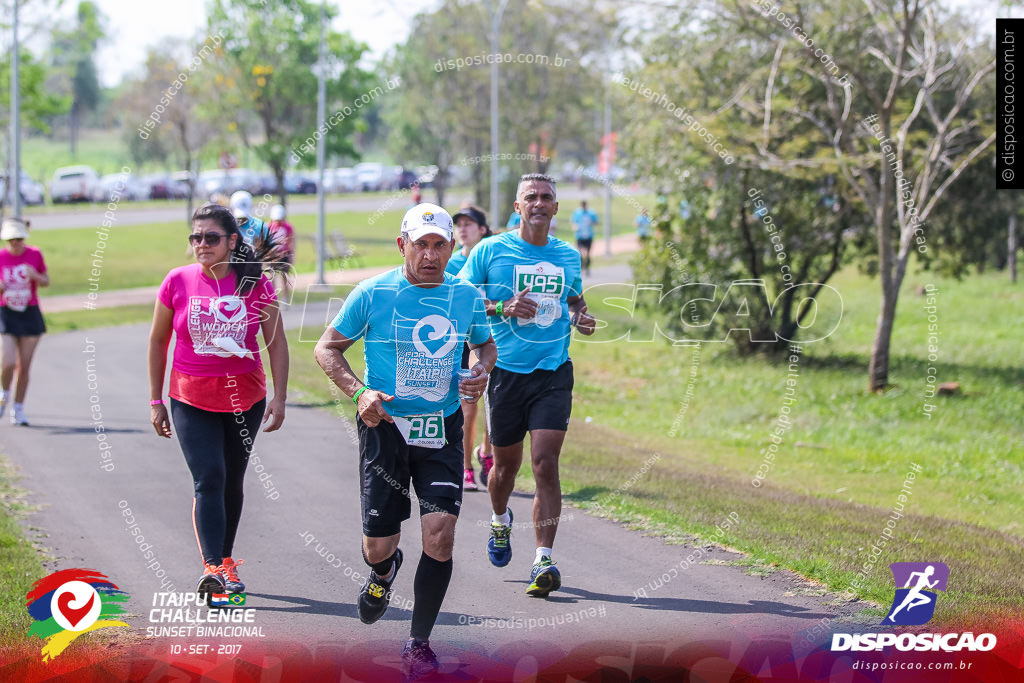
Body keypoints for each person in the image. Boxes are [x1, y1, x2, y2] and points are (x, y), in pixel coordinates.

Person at [315, 203, 496, 679]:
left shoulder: (465, 295)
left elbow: (485, 343)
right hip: (385, 430)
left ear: (452, 249)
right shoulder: (374, 292)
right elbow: (326, 348)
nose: (431, 255)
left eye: (440, 245)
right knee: (378, 545)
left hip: (442, 429)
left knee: (440, 534)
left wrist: (480, 371)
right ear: (403, 246)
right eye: (421, 245)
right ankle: (383, 572)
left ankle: (418, 643)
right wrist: (359, 392)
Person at [458, 174, 595, 598]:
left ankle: (543, 560)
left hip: (554, 370)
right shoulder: (491, 250)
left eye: (546, 198)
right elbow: (458, 296)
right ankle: (500, 521)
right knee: (505, 471)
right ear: (517, 207)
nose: (539, 203)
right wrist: (502, 306)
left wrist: (580, 315)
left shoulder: (568, 255)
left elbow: (573, 297)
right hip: (506, 372)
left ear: (556, 209)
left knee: (545, 463)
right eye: (530, 197)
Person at [148, 203, 289, 598]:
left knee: (232, 481)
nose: (201, 244)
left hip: (246, 399)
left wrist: (280, 397)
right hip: (190, 397)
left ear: (231, 242)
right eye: (196, 237)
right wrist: (155, 400)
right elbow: (159, 341)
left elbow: (275, 342)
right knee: (209, 478)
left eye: (211, 237)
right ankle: (212, 568)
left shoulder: (255, 285)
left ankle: (226, 561)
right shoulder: (176, 281)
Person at [446, 206, 494, 491]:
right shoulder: (451, 264)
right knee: (470, 403)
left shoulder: (495, 259)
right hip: (466, 339)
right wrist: (500, 307)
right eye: (459, 225)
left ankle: (486, 452)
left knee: (495, 406)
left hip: (498, 340)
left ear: (483, 230)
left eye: (469, 224)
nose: (462, 229)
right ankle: (465, 467)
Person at [0, 217, 48, 426]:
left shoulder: (34, 254)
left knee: (24, 366)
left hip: (29, 313)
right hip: (7, 312)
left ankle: (18, 410)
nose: (15, 243)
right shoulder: (1, 257)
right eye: (11, 239)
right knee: (8, 362)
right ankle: (4, 394)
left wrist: (35, 275)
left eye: (19, 238)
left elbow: (46, 281)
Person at [268, 204, 296, 301]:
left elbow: (291, 241)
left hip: (284, 254)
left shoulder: (287, 227)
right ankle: (272, 296)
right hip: (273, 255)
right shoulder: (269, 226)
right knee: (272, 276)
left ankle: (285, 296)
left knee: (285, 276)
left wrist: (292, 255)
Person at [570, 200, 598, 275]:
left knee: (588, 254)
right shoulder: (577, 213)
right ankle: (582, 266)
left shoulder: (591, 213)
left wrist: (592, 223)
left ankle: (587, 267)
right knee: (580, 252)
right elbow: (573, 221)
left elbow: (596, 222)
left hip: (589, 235)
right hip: (579, 235)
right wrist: (574, 226)